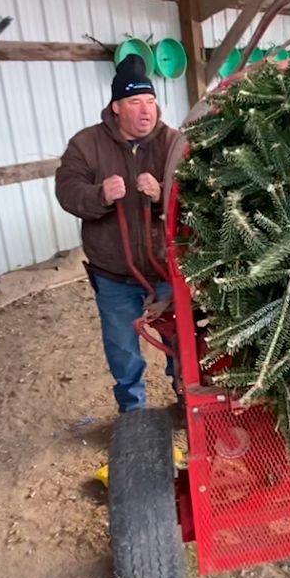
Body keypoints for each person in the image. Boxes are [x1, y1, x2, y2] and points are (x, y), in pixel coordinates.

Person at [55, 54, 187, 413]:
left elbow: (198, 192)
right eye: (135, 102)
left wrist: (165, 194)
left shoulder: (173, 143)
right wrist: (99, 195)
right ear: (116, 107)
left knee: (182, 343)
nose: (146, 111)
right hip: (114, 274)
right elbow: (66, 191)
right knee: (122, 347)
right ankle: (133, 412)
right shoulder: (86, 145)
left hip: (165, 270)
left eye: (151, 102)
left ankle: (185, 398)